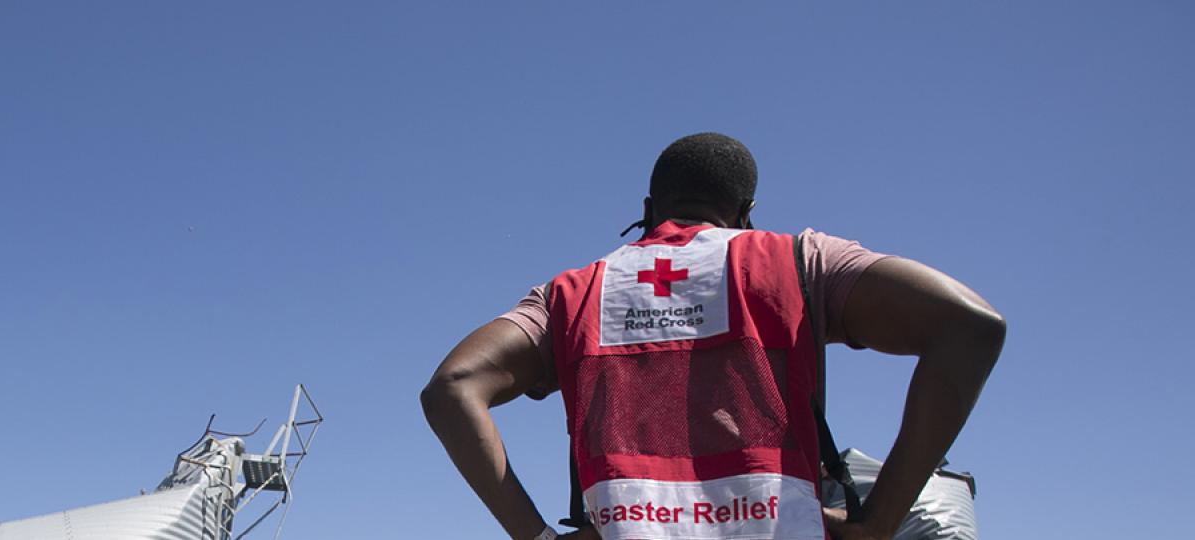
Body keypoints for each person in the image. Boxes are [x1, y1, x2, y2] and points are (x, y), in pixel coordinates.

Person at [420, 133, 1004, 540]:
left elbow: (452, 386)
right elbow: (970, 325)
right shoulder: (801, 263)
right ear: (746, 212)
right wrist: (877, 524)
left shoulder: (573, 294)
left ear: (648, 209)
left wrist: (537, 537)